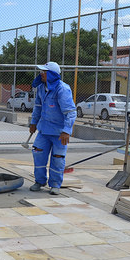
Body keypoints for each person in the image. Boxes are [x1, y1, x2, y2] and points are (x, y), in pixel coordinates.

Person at [28, 61, 76, 195]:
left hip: (59, 133)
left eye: (44, 72)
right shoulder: (41, 88)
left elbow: (70, 112)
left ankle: (55, 184)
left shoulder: (62, 89)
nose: (41, 74)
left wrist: (67, 131)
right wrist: (33, 122)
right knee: (38, 153)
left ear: (52, 75)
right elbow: (38, 107)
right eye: (41, 71)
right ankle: (39, 181)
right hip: (44, 130)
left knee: (58, 158)